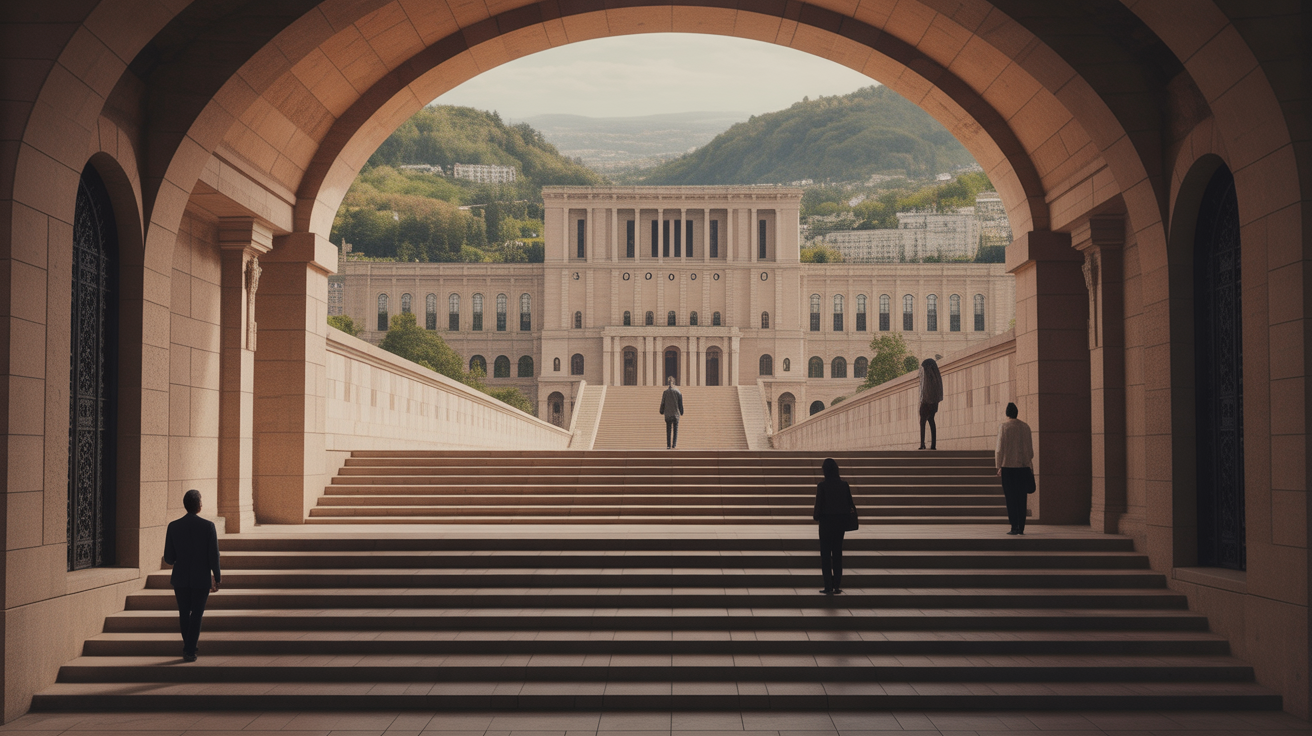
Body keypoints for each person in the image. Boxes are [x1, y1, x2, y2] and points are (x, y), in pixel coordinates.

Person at [163, 489, 221, 662]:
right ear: (199, 506)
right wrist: (217, 577)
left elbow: (168, 558)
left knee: (184, 613)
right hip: (201, 578)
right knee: (197, 614)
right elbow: (214, 555)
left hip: (180, 577)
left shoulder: (173, 526)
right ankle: (189, 649)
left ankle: (189, 647)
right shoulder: (208, 526)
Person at [813, 458, 856, 595]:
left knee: (825, 555)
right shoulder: (844, 485)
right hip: (840, 523)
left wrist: (816, 516)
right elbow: (849, 503)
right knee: (837, 553)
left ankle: (828, 586)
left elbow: (819, 504)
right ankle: (837, 584)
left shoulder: (822, 485)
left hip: (826, 523)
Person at [995, 402, 1035, 535]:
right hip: (1023, 468)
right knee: (1022, 498)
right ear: (1016, 413)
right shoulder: (1025, 427)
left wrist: (999, 466)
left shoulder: (1004, 427)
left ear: (1007, 414)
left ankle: (1014, 526)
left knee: (1010, 498)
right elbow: (1030, 450)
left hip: (1008, 467)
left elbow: (999, 449)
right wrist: (1027, 461)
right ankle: (1021, 527)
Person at [918, 358, 943, 450]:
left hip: (926, 402)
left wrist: (924, 401)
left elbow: (925, 391)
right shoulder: (937, 378)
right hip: (933, 402)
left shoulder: (928, 377)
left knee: (923, 421)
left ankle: (922, 443)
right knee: (931, 420)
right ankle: (933, 445)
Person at [658, 376, 684, 449]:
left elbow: (663, 403)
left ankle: (668, 445)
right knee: (675, 430)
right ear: (674, 383)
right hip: (675, 414)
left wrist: (661, 411)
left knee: (668, 430)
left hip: (668, 414)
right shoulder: (678, 392)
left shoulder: (665, 392)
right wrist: (681, 411)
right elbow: (680, 404)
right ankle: (674, 445)